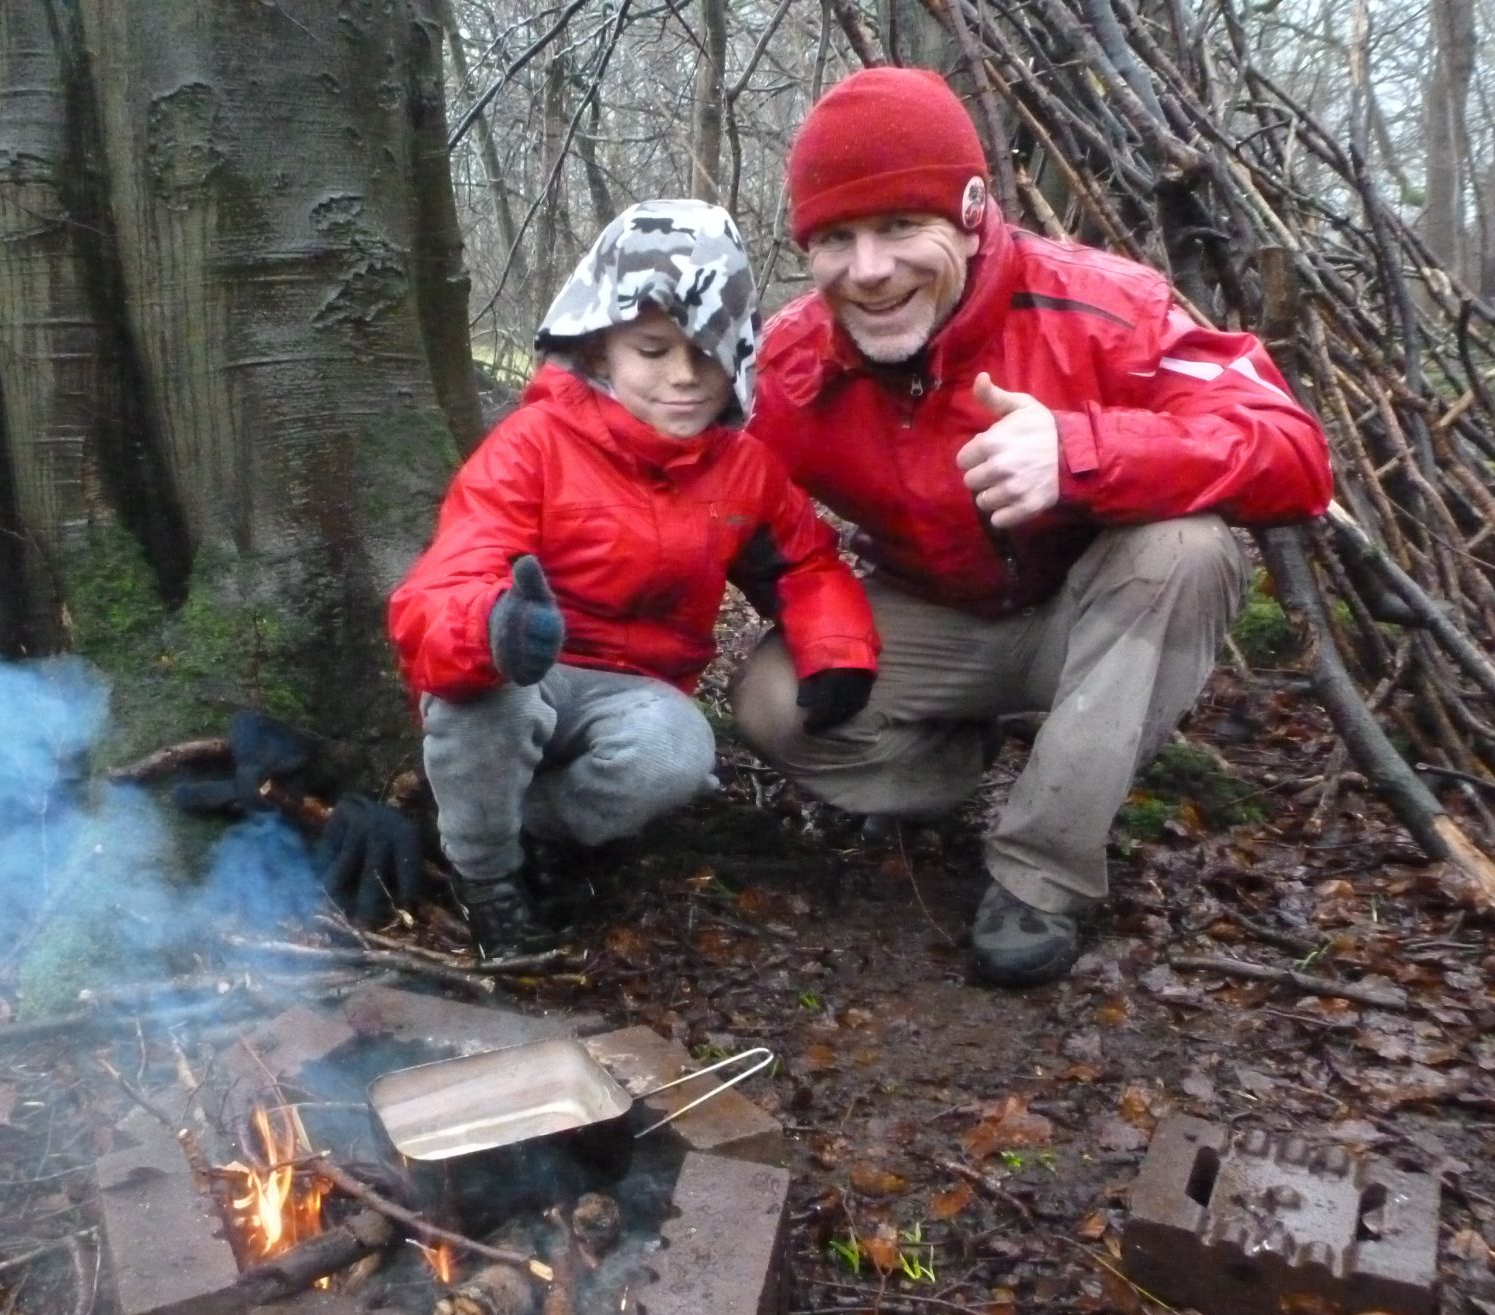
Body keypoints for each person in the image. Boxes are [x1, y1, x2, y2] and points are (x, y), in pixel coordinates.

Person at [730, 68, 1333, 987]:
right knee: (770, 701)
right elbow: (688, 489)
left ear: (971, 213)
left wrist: (1081, 451)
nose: (869, 271)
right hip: (930, 614)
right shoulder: (790, 364)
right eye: (836, 239)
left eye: (900, 227)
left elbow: (1294, 453)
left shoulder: (1106, 307)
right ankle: (954, 765)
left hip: (1093, 617)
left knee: (1190, 548)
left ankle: (1042, 873)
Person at [388, 200, 880, 957]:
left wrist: (837, 650)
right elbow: (447, 577)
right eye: (652, 350)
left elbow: (804, 565)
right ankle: (485, 876)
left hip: (634, 693)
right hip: (526, 674)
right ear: (599, 348)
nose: (683, 377)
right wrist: (493, 628)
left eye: (707, 353)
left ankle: (525, 825)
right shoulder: (534, 445)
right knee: (480, 704)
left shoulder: (743, 468)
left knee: (676, 757)